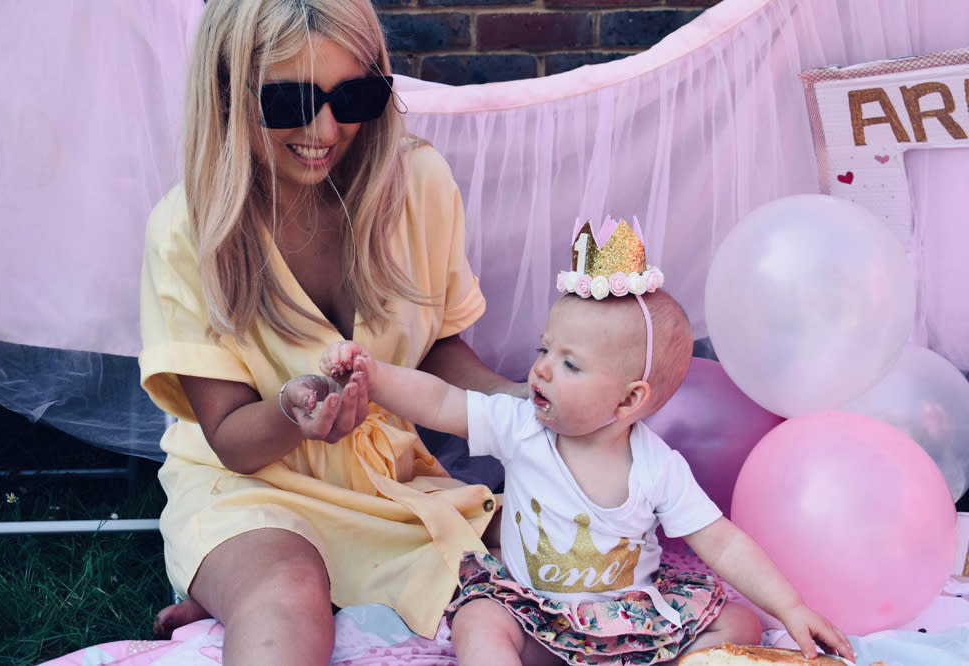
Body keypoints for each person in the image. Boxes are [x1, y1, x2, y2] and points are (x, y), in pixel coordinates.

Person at [138, 0, 523, 664]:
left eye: (355, 95)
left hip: (389, 487)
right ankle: (240, 578)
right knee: (286, 586)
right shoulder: (186, 231)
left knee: (541, 583)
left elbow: (438, 351)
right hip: (253, 486)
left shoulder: (419, 184)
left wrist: (523, 401)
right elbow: (229, 438)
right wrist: (297, 411)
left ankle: (232, 600)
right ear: (226, 93)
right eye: (289, 102)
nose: (326, 128)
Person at [316, 218, 857, 665]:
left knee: (741, 621)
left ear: (628, 401)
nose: (542, 371)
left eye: (569, 364)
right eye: (544, 350)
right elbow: (439, 402)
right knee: (479, 620)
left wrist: (790, 607)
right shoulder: (520, 424)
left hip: (629, 622)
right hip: (538, 613)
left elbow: (723, 543)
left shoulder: (655, 466)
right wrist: (376, 377)